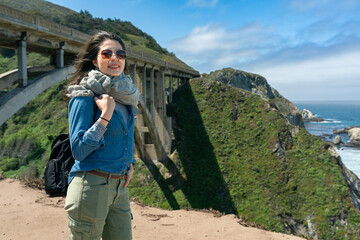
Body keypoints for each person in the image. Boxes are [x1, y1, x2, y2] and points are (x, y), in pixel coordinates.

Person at [64, 31, 140, 240]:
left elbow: (124, 138)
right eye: (107, 54)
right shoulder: (84, 95)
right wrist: (105, 116)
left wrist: (129, 163)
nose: (115, 58)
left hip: (119, 189)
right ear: (95, 61)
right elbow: (79, 150)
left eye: (120, 54)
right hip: (91, 186)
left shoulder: (126, 97)